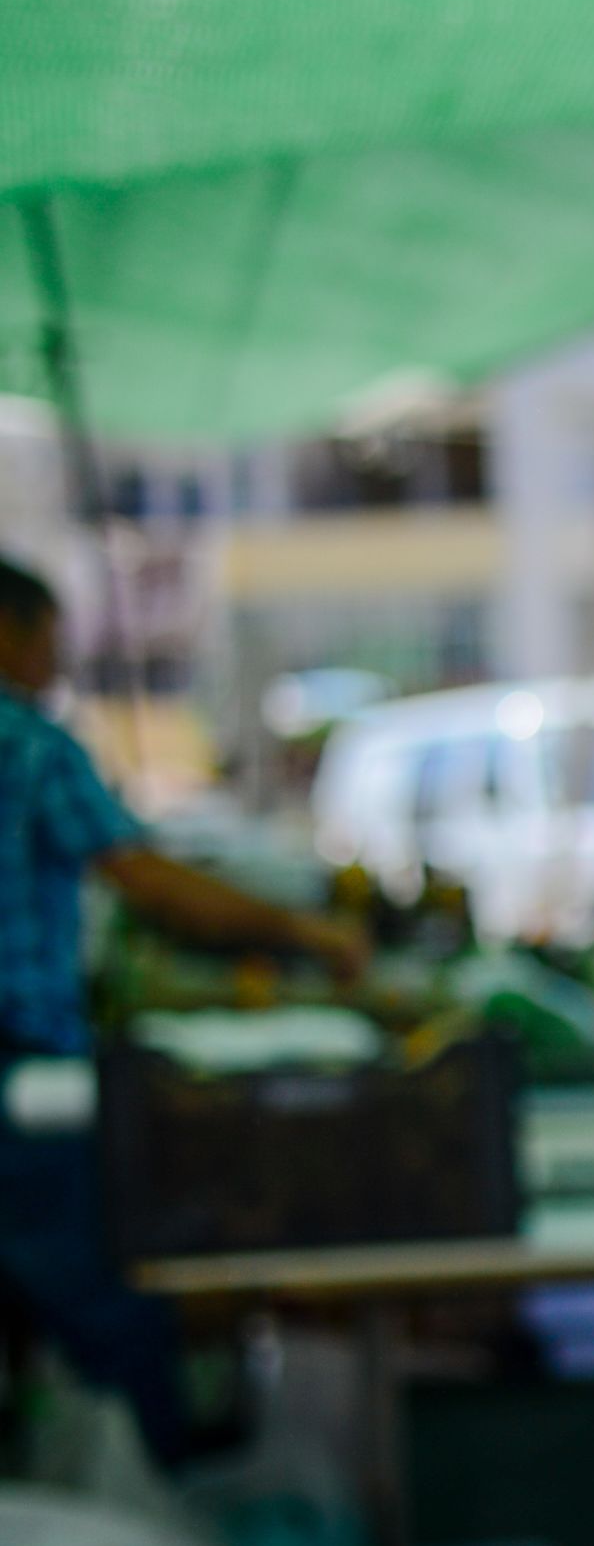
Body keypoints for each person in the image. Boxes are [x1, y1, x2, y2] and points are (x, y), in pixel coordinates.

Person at [0, 558, 368, 1461]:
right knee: (95, 1295)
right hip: (19, 1075)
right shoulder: (29, 746)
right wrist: (304, 934)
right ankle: (164, 1490)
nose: (58, 661)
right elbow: (148, 878)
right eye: (49, 638)